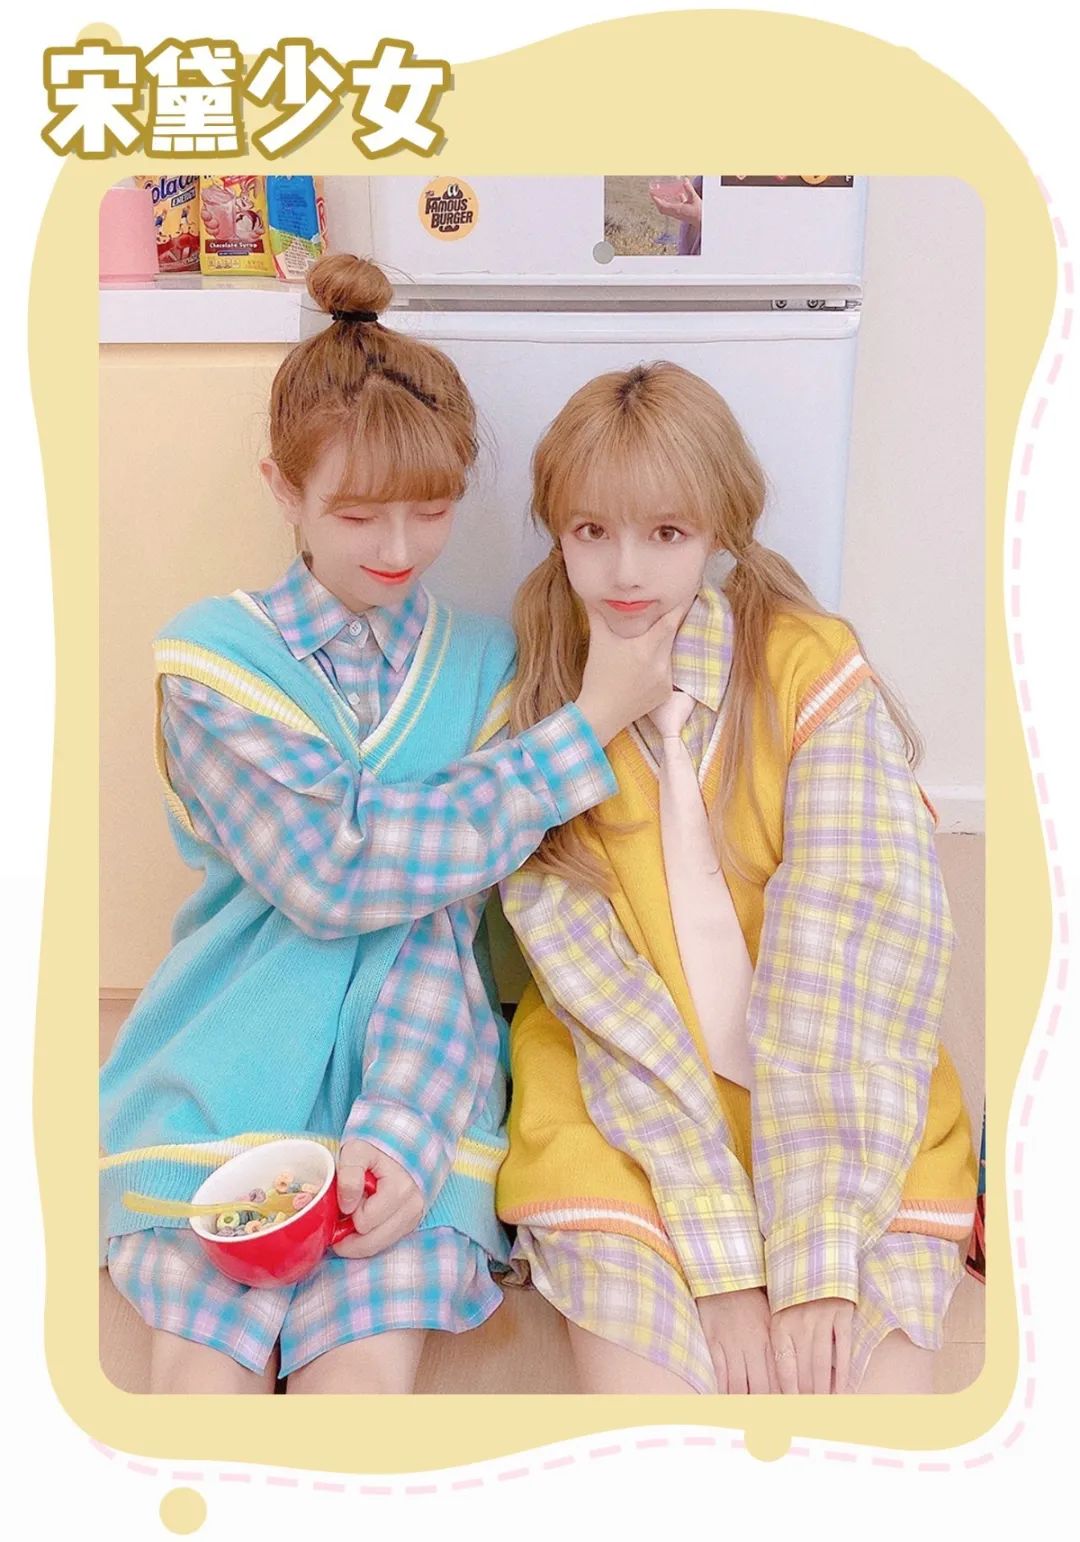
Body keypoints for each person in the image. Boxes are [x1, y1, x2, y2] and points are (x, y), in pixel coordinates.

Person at [99, 255, 681, 1395]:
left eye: (433, 509)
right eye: (358, 513)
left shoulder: (486, 665)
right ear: (283, 489)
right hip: (229, 1059)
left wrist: (406, 1128)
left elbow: (439, 921)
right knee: (198, 1373)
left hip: (421, 1069)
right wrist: (582, 732)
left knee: (363, 1383)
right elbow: (340, 870)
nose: (400, 548)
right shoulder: (212, 663)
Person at [496, 361, 978, 1394]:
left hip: (842, 1088)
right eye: (590, 531)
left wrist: (811, 1257)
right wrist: (723, 1268)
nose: (626, 570)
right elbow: (605, 1008)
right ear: (557, 533)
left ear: (719, 528)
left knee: (870, 1421)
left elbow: (847, 959)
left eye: (666, 532)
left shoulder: (812, 669)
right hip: (618, 1100)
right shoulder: (536, 708)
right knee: (658, 1431)